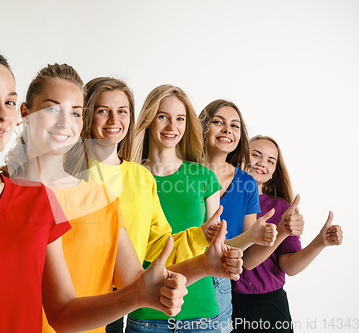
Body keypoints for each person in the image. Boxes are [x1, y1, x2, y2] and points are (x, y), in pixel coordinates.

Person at [0, 46, 188, 333]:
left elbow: (64, 313)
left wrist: (137, 296)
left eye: (9, 101)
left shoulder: (38, 201)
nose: (2, 113)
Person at [64, 78, 245, 332]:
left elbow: (158, 246)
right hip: (71, 298)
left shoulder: (140, 177)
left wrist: (198, 238)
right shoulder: (68, 174)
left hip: (120, 304)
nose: (114, 120)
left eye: (122, 112)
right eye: (103, 111)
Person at [127, 84, 222, 331]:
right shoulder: (129, 177)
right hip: (146, 312)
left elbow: (215, 248)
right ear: (149, 120)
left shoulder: (204, 177)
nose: (172, 126)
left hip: (201, 313)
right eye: (163, 117)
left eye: (179, 119)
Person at [230, 135, 343, 332]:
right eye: (255, 155)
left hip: (270, 308)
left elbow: (289, 267)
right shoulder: (220, 199)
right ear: (240, 158)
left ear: (274, 172)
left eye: (270, 161)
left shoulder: (281, 208)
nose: (261, 163)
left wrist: (320, 242)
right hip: (227, 304)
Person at [198, 100, 287, 332]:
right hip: (182, 276)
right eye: (218, 122)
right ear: (202, 127)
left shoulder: (246, 184)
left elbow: (245, 258)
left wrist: (258, 236)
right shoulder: (182, 172)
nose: (227, 130)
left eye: (235, 125)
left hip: (221, 287)